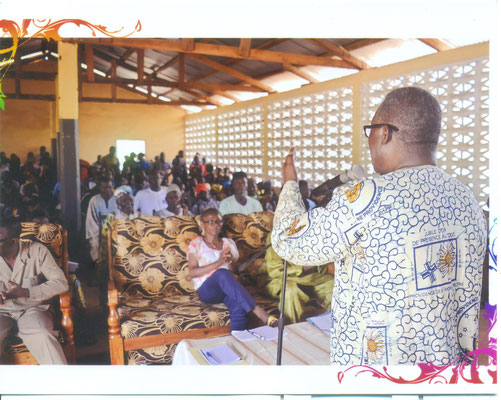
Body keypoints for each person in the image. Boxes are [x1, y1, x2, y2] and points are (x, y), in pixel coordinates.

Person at [271, 87, 487, 366]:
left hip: (379, 377)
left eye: (370, 131)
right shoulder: (467, 200)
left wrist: (290, 184)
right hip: (447, 375)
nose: (370, 141)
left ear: (384, 133)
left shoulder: (368, 197)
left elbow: (290, 241)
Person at [187, 208, 277, 331]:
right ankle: (258, 311)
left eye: (218, 221)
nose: (215, 225)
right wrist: (219, 263)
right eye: (210, 222)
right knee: (221, 273)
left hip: (229, 288)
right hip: (207, 290)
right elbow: (192, 272)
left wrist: (229, 261)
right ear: (203, 224)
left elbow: (235, 271)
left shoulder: (228, 243)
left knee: (239, 306)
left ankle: (237, 338)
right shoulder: (196, 243)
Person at [0, 217, 68, 364]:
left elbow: (61, 283)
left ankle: (61, 378)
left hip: (33, 308)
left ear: (13, 241)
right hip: (2, 311)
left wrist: (26, 292)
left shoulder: (37, 251)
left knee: (42, 334)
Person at [255, 233, 333, 324]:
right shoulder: (277, 234)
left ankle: (332, 325)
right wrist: (303, 268)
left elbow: (322, 267)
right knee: (290, 290)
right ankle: (294, 328)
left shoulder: (315, 232)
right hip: (278, 279)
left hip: (308, 278)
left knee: (333, 284)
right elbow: (275, 271)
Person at [85, 176, 117, 267]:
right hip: (99, 235)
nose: (108, 190)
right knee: (95, 244)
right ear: (99, 188)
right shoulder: (94, 201)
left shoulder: (117, 200)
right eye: (105, 188)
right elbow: (91, 224)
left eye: (110, 187)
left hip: (116, 234)